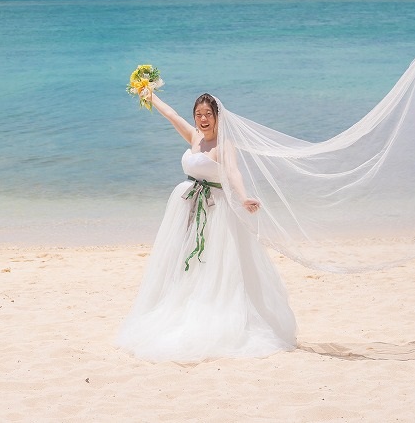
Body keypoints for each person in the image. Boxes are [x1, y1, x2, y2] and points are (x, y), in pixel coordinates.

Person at [116, 89, 297, 362]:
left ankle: (215, 312)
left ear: (217, 117)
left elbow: (233, 172)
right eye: (198, 114)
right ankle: (184, 304)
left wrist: (244, 196)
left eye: (208, 114)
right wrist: (149, 95)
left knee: (215, 263)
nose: (202, 119)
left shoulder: (224, 145)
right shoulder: (195, 138)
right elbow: (170, 115)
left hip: (216, 210)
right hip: (186, 206)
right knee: (185, 260)